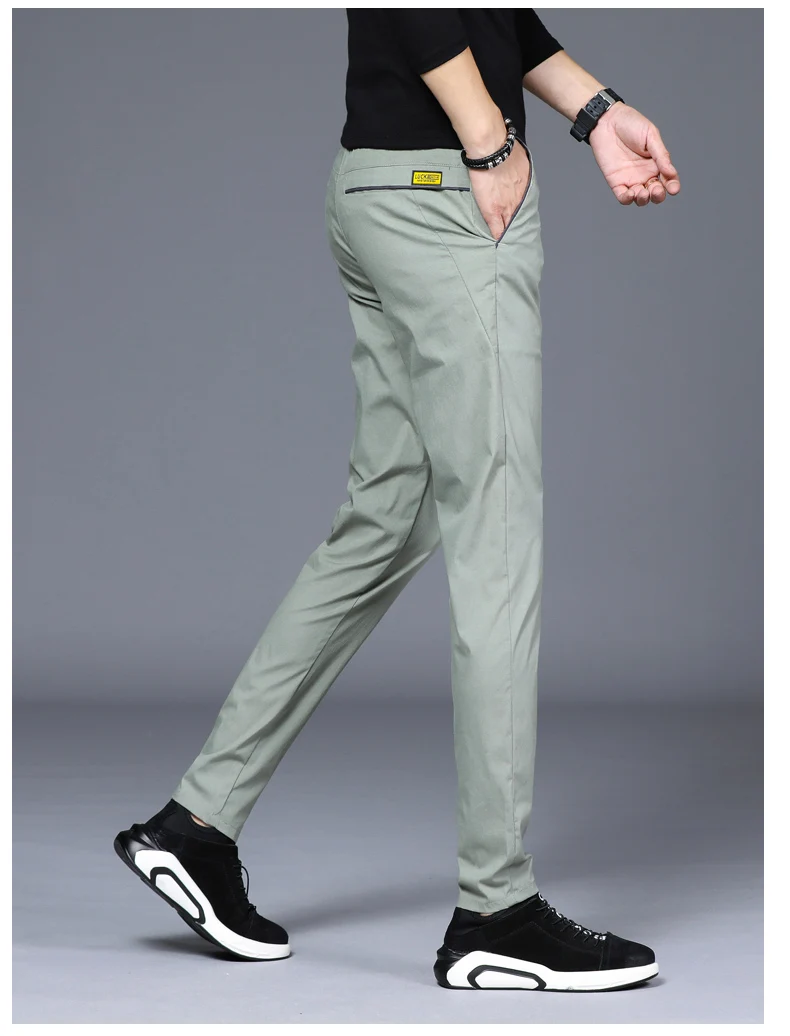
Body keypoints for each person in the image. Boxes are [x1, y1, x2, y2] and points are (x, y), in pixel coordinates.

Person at [114, 9, 679, 991]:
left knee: (389, 518)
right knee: (497, 531)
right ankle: (497, 908)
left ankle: (195, 825)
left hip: (379, 185)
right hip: (444, 190)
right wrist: (489, 141)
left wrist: (594, 110)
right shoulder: (472, 153)